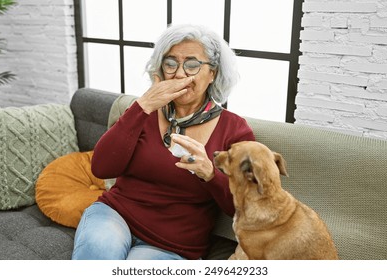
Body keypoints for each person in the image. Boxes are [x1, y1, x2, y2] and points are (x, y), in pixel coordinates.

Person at [72, 24, 255, 260]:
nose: (179, 74)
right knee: (98, 252)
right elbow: (101, 167)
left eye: (192, 65)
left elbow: (244, 207)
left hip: (174, 245)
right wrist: (143, 106)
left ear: (212, 73)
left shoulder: (234, 129)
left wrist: (210, 173)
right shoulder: (143, 111)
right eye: (170, 63)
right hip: (115, 215)